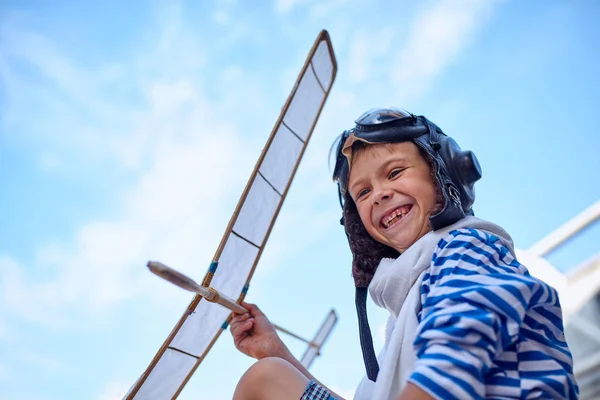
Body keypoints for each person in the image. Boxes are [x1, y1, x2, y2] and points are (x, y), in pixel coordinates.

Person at [229, 108, 579, 400]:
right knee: (268, 379)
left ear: (444, 173)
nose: (379, 194)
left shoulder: (465, 249)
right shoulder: (402, 316)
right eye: (362, 192)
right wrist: (276, 351)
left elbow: (452, 362)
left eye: (395, 172)